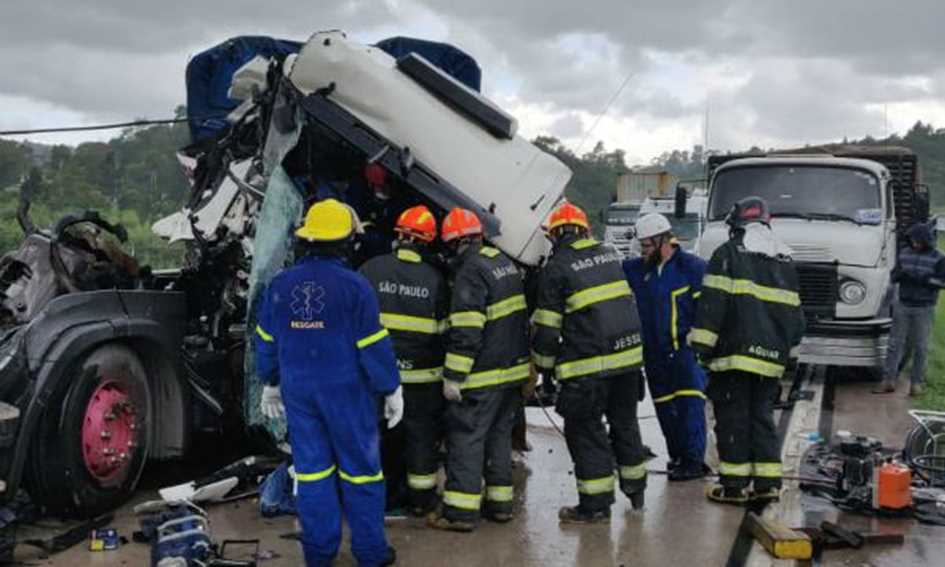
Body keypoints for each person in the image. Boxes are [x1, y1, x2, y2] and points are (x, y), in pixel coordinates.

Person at [255, 198, 402, 566]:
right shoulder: (356, 287)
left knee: (313, 473)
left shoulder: (280, 284)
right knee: (362, 473)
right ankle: (370, 553)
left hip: (300, 393)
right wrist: (390, 388)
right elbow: (373, 345)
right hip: (348, 395)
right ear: (345, 240)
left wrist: (270, 382)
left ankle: (319, 554)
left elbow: (266, 340)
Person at [531, 202, 647, 523]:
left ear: (554, 237)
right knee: (625, 424)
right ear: (586, 230)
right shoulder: (610, 255)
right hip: (628, 363)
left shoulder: (557, 268)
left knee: (585, 431)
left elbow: (548, 328)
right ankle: (636, 491)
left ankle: (595, 505)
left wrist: (543, 367)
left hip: (588, 368)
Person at [690, 196, 805, 505]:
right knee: (762, 419)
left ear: (736, 226)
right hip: (771, 363)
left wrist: (700, 349)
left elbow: (713, 306)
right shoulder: (785, 261)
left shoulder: (727, 255)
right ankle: (768, 484)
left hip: (734, 358)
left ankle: (734, 486)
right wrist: (790, 360)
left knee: (732, 420)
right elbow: (795, 318)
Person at [428, 207, 530, 532]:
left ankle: (459, 513)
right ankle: (500, 506)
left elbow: (467, 329)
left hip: (484, 374)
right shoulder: (503, 263)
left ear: (455, 243)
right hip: (512, 372)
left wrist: (454, 377)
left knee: (467, 439)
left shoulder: (470, 271)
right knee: (499, 438)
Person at [359, 205, 450, 516]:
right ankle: (421, 500)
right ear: (427, 242)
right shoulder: (436, 279)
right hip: (422, 380)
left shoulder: (370, 269)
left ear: (398, 236)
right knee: (420, 438)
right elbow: (443, 332)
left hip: (374, 378)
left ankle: (374, 498)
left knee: (375, 436)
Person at [624, 212, 708, 482]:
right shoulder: (638, 271)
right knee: (664, 410)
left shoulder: (692, 268)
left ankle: (694, 461)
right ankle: (678, 457)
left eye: (647, 246)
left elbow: (707, 310)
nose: (643, 252)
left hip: (684, 354)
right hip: (654, 355)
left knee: (689, 407)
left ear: (663, 239)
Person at [874, 222, 945, 396]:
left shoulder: (939, 258)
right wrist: (899, 276)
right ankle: (888, 380)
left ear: (925, 240)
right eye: (912, 240)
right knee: (894, 344)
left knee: (920, 346)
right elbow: (894, 275)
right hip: (903, 304)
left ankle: (916, 384)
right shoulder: (904, 253)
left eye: (917, 240)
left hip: (924, 307)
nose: (914, 243)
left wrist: (925, 280)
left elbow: (942, 282)